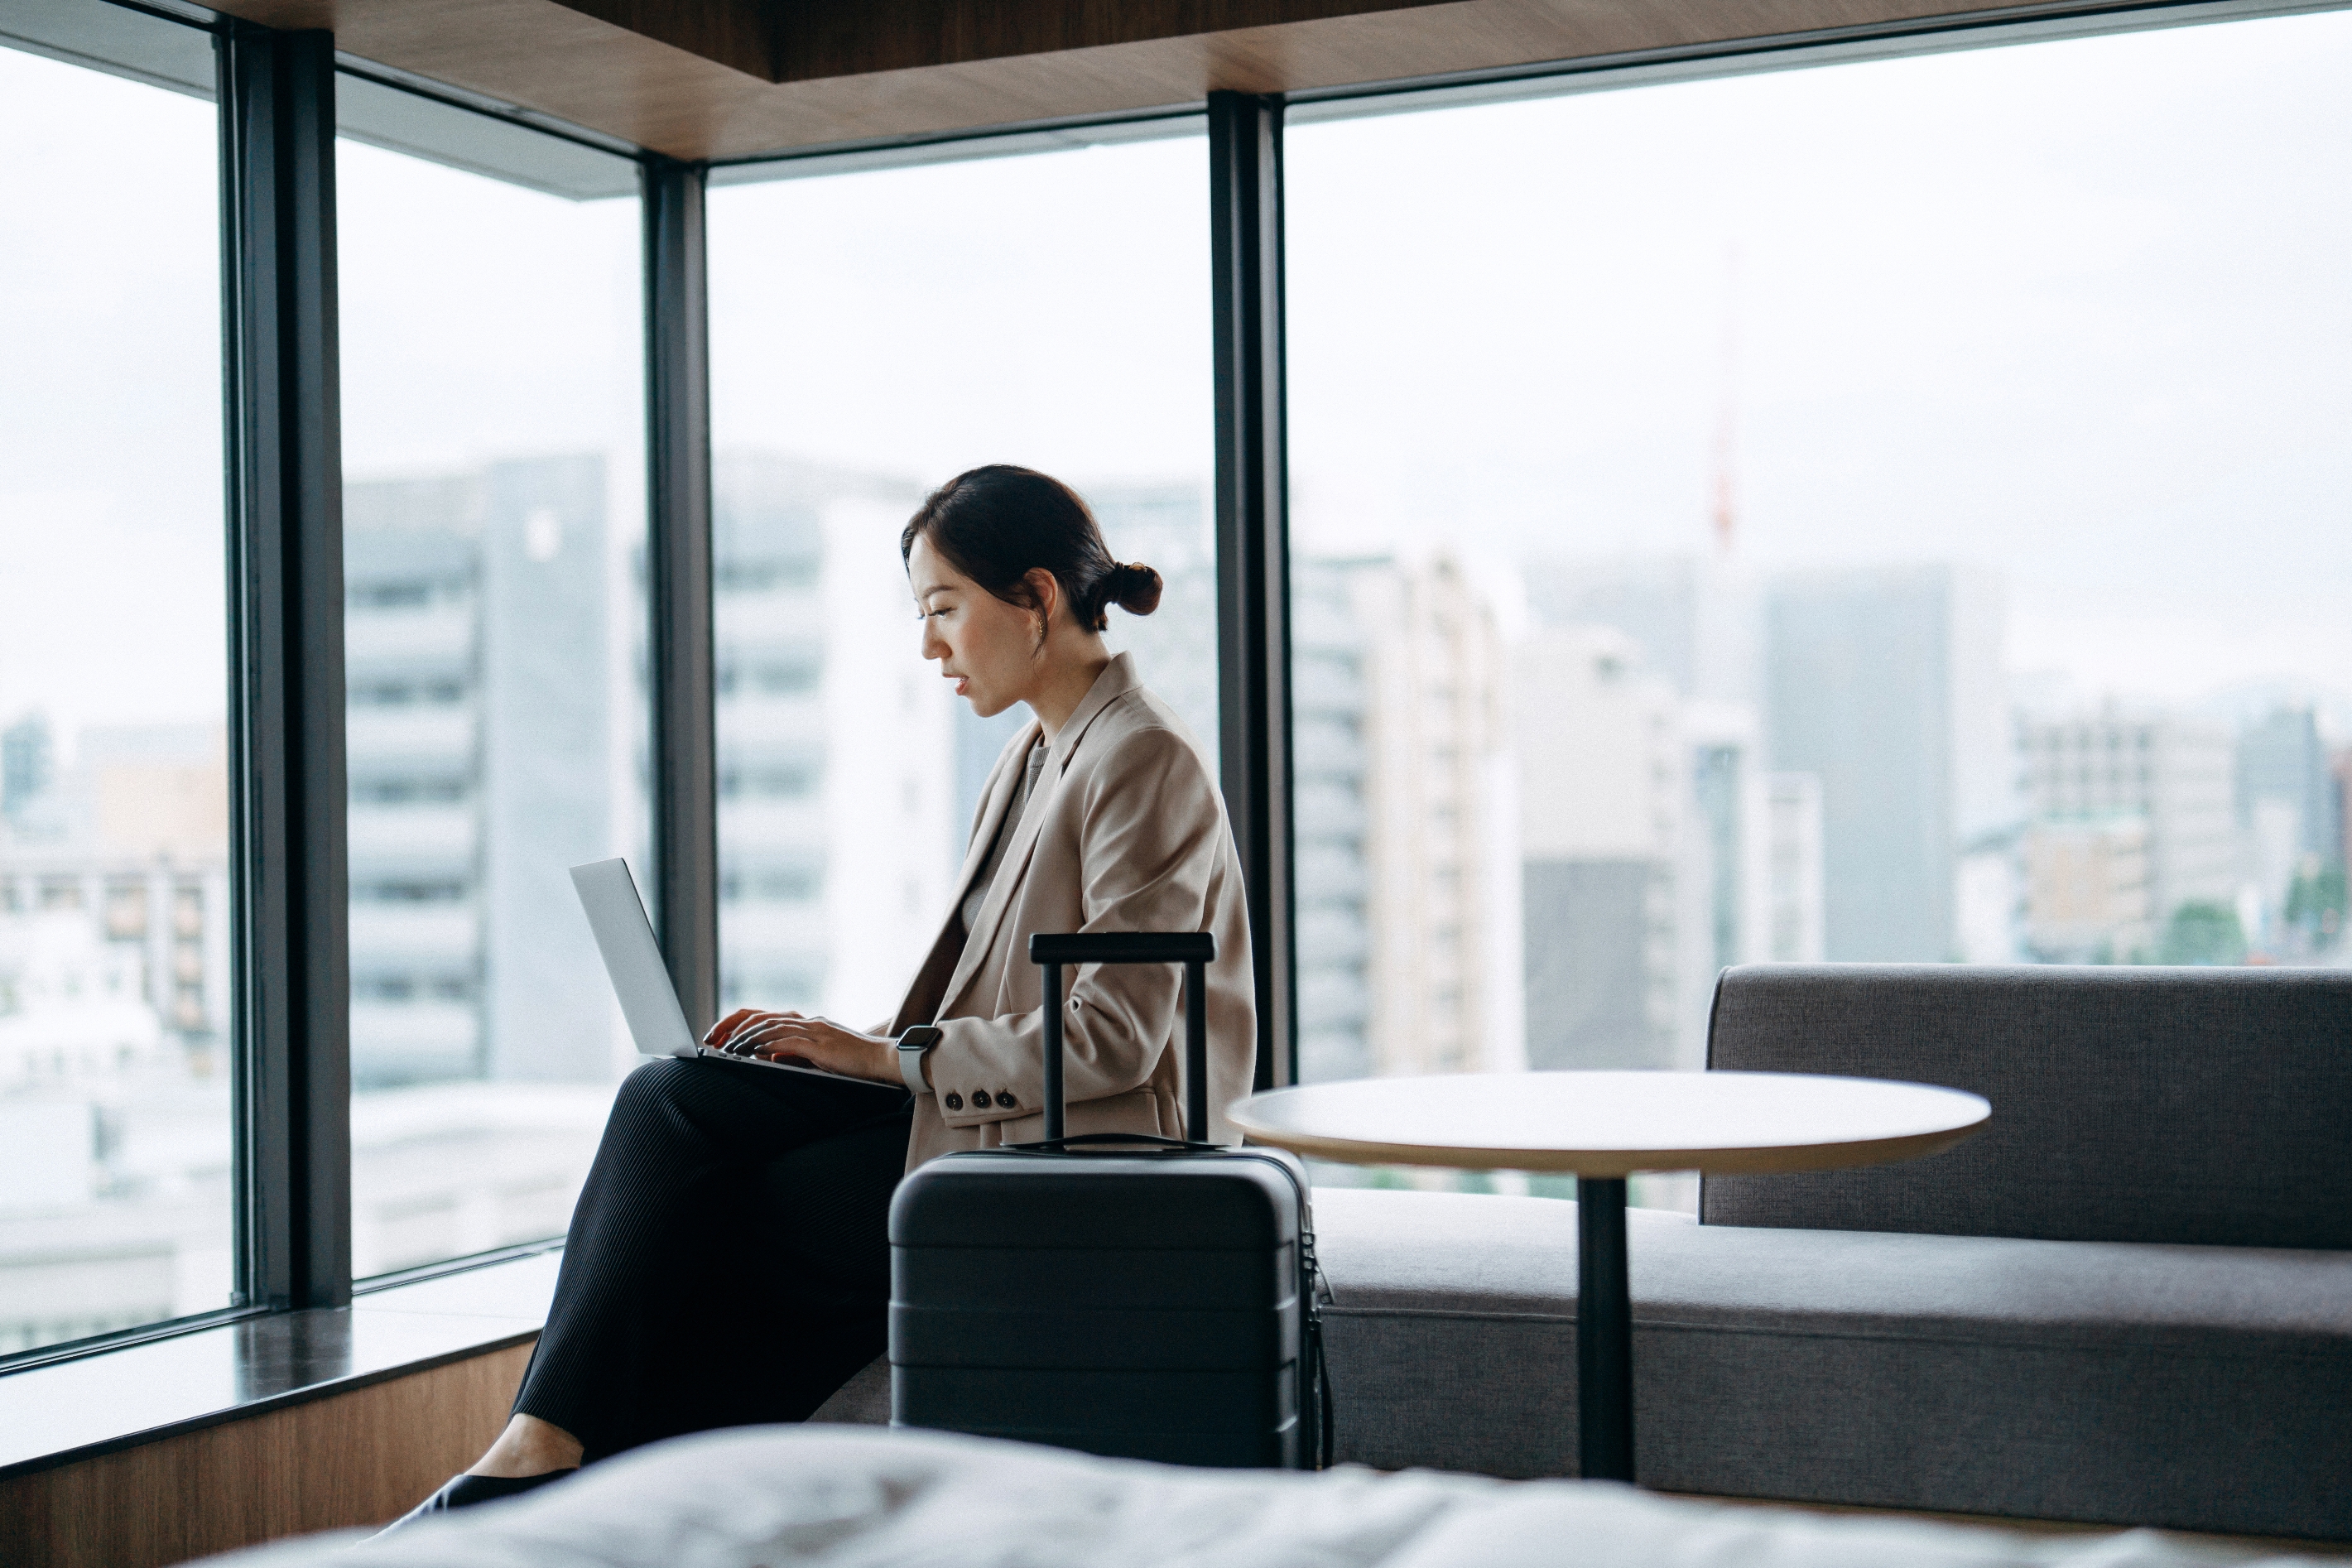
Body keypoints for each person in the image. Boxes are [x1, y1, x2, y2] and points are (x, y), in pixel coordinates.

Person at [392, 464, 1257, 1522]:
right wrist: (845, 1043)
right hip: (991, 1112)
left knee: (727, 1194)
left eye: (944, 609)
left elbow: (1113, 1041)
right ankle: (545, 1456)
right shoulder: (1034, 756)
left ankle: (551, 1479)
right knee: (674, 1096)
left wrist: (884, 1059)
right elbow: (987, 992)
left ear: (1036, 597)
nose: (930, 645)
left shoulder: (1142, 756)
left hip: (1088, 1146)